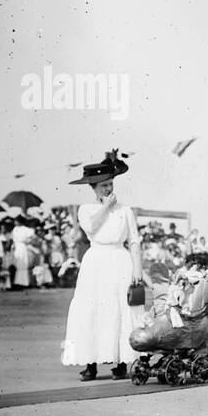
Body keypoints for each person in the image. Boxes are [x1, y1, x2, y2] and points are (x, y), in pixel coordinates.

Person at [61, 151, 145, 380]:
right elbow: (91, 228)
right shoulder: (86, 210)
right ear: (93, 188)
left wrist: (137, 270)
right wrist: (106, 207)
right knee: (92, 310)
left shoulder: (126, 211)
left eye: (110, 184)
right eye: (102, 186)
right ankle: (91, 363)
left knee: (119, 309)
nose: (108, 189)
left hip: (120, 260)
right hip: (96, 261)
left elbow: (134, 241)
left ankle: (120, 361)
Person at [10, 216, 35, 290]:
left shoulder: (27, 229)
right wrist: (13, 245)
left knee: (23, 265)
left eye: (16, 221)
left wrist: (27, 241)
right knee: (17, 264)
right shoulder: (15, 229)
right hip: (16, 247)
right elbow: (14, 239)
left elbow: (32, 237)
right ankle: (17, 282)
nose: (15, 222)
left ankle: (23, 283)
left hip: (23, 247)